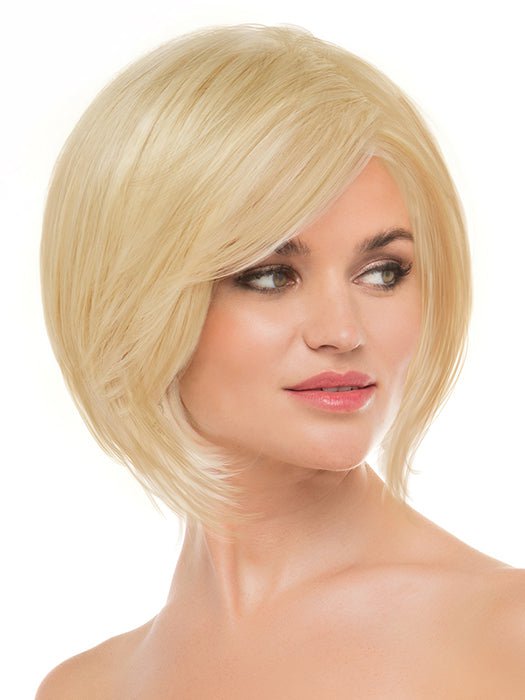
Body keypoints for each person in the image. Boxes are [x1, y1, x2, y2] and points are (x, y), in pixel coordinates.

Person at [36, 23, 525, 699]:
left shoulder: (505, 638)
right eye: (269, 276)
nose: (341, 331)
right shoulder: (84, 688)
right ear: (132, 297)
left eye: (383, 272)